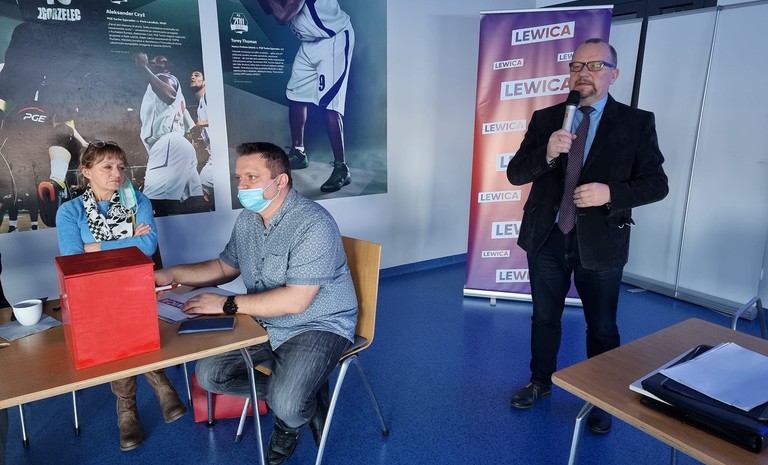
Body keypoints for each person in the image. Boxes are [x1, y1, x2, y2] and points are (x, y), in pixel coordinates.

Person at [154, 142, 357, 465]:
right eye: (239, 178)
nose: (242, 186)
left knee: (287, 403)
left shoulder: (313, 224)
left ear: (281, 181)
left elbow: (297, 301)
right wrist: (171, 274)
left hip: (318, 323)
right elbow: (223, 267)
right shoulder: (249, 219)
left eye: (252, 177)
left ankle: (290, 417)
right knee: (210, 375)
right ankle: (305, 397)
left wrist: (226, 304)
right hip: (265, 319)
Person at [506, 38, 669, 434]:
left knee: (602, 326)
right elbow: (516, 174)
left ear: (614, 74)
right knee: (545, 318)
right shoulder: (547, 119)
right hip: (546, 237)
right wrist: (547, 153)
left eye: (595, 66)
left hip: (601, 243)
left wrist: (610, 193)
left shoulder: (636, 122)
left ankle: (601, 396)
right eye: (577, 65)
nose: (583, 73)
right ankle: (540, 381)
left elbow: (656, 184)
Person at [55, 141, 187, 451]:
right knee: (114, 328)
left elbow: (147, 247)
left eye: (121, 167)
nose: (117, 173)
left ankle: (131, 407)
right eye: (107, 167)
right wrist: (127, 241)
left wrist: (97, 247)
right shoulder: (70, 211)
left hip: (136, 287)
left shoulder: (137, 201)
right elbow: (74, 258)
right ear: (86, 171)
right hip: (94, 292)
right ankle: (149, 392)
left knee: (127, 323)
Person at [246, 0, 355, 193]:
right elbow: (268, 10)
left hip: (333, 40)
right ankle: (299, 152)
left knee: (330, 105)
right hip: (309, 43)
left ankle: (341, 168)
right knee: (295, 94)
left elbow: (282, 17)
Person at [134, 53, 204, 215]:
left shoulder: (164, 78)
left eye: (160, 60)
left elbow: (169, 95)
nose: (153, 60)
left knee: (157, 205)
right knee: (193, 203)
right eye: (153, 59)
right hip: (180, 145)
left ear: (167, 68)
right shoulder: (180, 97)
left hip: (168, 143)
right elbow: (191, 128)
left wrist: (144, 68)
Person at [189, 70, 214, 205]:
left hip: (221, 153)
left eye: (197, 75)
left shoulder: (208, 96)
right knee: (203, 187)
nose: (192, 77)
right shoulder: (200, 104)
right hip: (213, 153)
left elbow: (223, 118)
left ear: (205, 82)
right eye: (191, 76)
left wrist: (199, 124)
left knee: (201, 186)